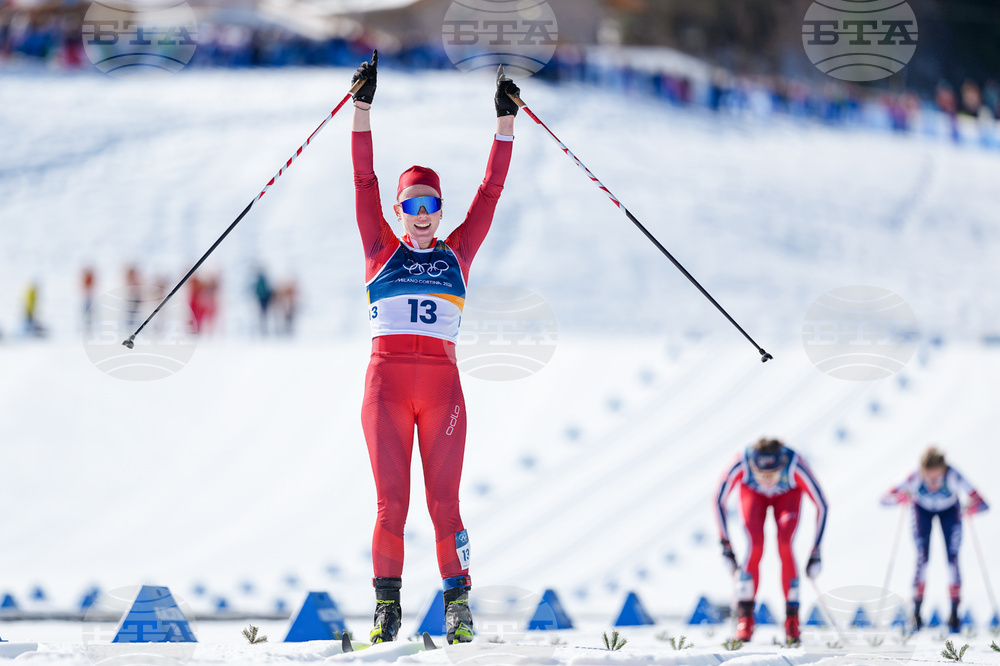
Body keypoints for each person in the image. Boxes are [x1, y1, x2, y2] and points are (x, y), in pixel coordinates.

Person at [350, 50, 518, 645]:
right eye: (412, 205)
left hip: (442, 387)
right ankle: (386, 609)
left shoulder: (458, 253)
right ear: (398, 212)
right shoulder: (379, 248)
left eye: (431, 205)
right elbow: (364, 179)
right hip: (386, 387)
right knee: (390, 505)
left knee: (445, 504)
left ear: (440, 211)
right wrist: (361, 110)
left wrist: (505, 125)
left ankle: (458, 608)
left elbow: (491, 192)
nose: (422, 216)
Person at [715, 437, 828, 645]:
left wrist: (816, 551)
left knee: (785, 544)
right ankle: (745, 616)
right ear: (752, 466)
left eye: (773, 474)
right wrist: (726, 546)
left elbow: (822, 504)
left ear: (782, 465)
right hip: (752, 494)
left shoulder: (795, 465)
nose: (767, 480)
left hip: (787, 494)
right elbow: (718, 498)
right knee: (754, 544)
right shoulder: (741, 462)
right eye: (761, 474)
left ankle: (792, 619)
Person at [881, 446, 989, 633]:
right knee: (922, 558)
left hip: (950, 511)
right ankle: (916, 612)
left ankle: (955, 613)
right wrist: (902, 497)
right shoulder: (913, 474)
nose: (933, 483)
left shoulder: (953, 475)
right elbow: (884, 498)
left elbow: (983, 503)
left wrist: (969, 508)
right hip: (921, 510)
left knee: (953, 559)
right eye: (929, 477)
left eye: (937, 477)